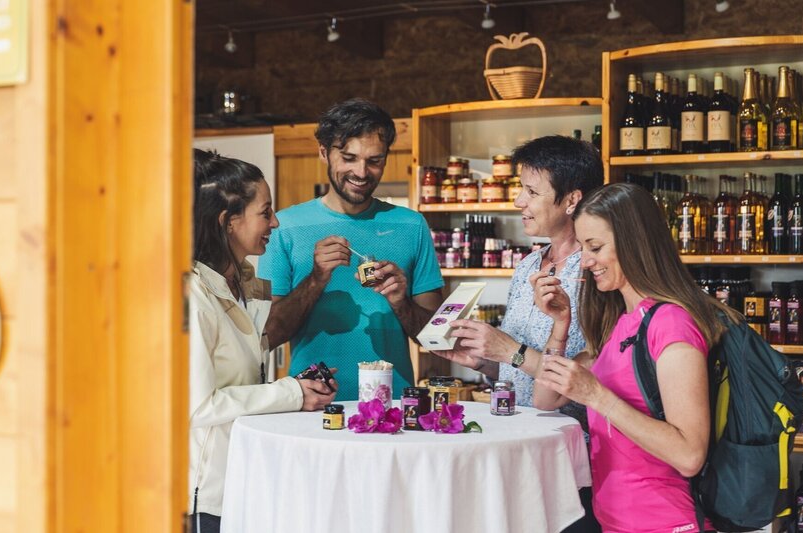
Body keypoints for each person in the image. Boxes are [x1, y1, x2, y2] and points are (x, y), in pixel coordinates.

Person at [532, 182, 740, 533]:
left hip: (666, 523)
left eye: (595, 247)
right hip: (616, 521)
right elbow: (546, 397)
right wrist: (560, 327)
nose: (585, 260)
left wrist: (597, 395)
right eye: (583, 247)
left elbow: (689, 455)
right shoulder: (621, 321)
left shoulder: (672, 323)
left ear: (633, 242)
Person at [431, 135, 603, 532]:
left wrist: (508, 350)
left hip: (573, 457)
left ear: (572, 199)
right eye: (518, 189)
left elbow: (591, 370)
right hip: (515, 447)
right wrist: (484, 362)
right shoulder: (527, 266)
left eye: (530, 191)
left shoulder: (596, 271)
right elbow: (516, 366)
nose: (518, 202)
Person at [189, 149, 337, 533]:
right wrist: (292, 393)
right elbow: (200, 405)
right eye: (265, 211)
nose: (275, 221)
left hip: (246, 477)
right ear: (228, 221)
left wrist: (299, 385)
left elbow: (242, 382)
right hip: (206, 495)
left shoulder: (245, 285)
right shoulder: (192, 296)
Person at [259, 98, 444, 400]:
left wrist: (400, 302)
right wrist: (316, 280)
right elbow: (268, 335)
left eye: (374, 160)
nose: (362, 172)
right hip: (313, 403)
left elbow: (436, 338)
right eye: (349, 157)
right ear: (324, 153)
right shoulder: (285, 227)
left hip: (392, 405)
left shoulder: (412, 225)